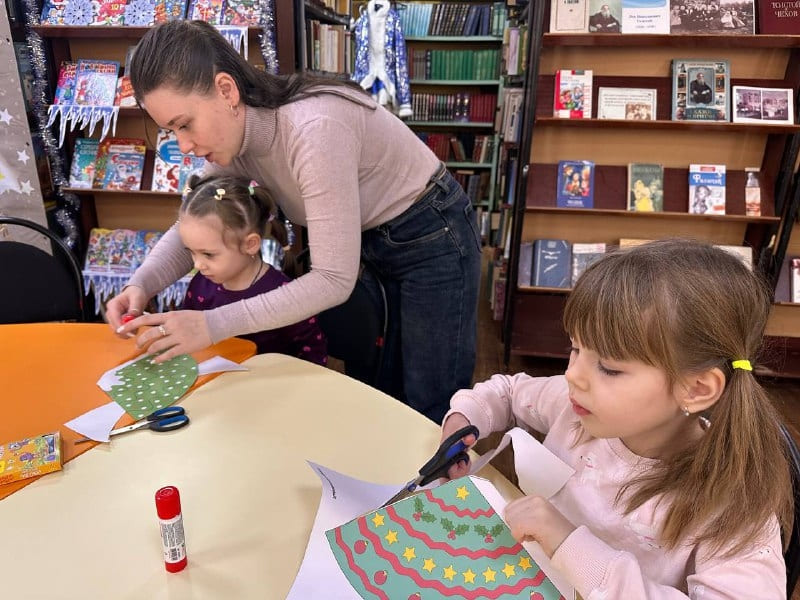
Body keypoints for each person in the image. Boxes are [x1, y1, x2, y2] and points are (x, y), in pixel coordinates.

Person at [107, 20, 481, 424]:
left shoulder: (313, 130)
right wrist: (141, 283)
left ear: (226, 91)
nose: (183, 145)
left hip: (431, 232)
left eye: (185, 124)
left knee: (431, 401)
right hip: (372, 239)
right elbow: (198, 225)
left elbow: (333, 279)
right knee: (379, 392)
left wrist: (212, 324)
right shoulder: (234, 142)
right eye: (170, 131)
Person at [440, 239, 793, 598]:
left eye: (608, 367)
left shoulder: (733, 497)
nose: (573, 375)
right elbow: (508, 391)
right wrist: (464, 418)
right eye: (575, 348)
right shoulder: (574, 406)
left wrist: (569, 544)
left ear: (696, 389)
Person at [177, 173, 327, 365]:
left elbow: (312, 353)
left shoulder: (284, 295)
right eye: (191, 252)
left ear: (250, 244)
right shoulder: (200, 284)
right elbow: (190, 332)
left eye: (208, 254)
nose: (197, 265)